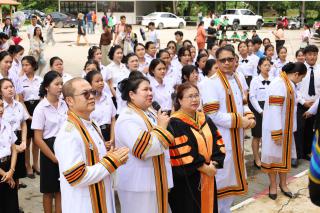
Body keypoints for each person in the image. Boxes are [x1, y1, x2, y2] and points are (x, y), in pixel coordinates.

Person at [54, 77, 129, 213]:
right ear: (69, 101)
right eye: (85, 94)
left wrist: (114, 157)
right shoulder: (68, 134)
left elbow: (97, 160)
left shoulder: (92, 124)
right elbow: (76, 176)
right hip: (84, 205)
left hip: (103, 197)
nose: (91, 97)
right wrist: (111, 161)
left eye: (92, 92)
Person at [200, 46, 255, 212]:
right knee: (220, 181)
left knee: (232, 180)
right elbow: (213, 115)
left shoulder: (237, 78)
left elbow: (242, 104)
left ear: (235, 60)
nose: (226, 63)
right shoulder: (209, 83)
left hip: (237, 137)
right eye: (222, 60)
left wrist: (250, 117)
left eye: (230, 59)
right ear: (217, 62)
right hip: (220, 138)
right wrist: (241, 121)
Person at [115, 71, 174, 213]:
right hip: (138, 185)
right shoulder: (127, 118)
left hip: (156, 180)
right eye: (145, 90)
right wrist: (161, 128)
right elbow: (145, 149)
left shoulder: (150, 112)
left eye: (150, 89)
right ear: (131, 95)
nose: (150, 93)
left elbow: (165, 141)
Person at [168, 82, 226, 213]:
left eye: (196, 95)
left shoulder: (204, 118)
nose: (194, 99)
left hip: (209, 172)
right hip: (188, 179)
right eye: (190, 96)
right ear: (180, 100)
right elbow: (182, 152)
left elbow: (218, 141)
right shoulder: (174, 122)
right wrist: (204, 167)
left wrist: (214, 164)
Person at [261, 62, 307, 200]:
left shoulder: (289, 83)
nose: (301, 80)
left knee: (283, 158)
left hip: (286, 129)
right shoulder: (278, 84)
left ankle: (283, 184)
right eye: (301, 78)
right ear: (296, 74)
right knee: (273, 158)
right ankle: (273, 185)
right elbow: (275, 110)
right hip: (276, 130)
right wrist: (277, 132)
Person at [31, 71, 67, 213]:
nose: (60, 87)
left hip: (64, 146)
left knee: (60, 189)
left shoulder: (65, 104)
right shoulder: (41, 108)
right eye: (56, 84)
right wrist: (54, 158)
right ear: (47, 87)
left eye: (61, 84)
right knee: (48, 190)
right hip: (48, 149)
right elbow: (38, 139)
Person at [1, 78, 29, 211]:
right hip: (6, 144)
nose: (10, 89)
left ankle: (14, 204)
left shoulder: (18, 105)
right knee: (7, 176)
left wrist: (23, 141)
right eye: (6, 87)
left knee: (16, 175)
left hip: (18, 140)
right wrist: (14, 147)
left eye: (11, 86)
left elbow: (23, 123)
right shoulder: (2, 108)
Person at [295, 45, 320, 162]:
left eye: (315, 54)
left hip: (317, 104)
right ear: (304, 56)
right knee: (300, 129)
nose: (312, 57)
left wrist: (314, 105)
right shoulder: (299, 70)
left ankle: (308, 152)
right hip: (302, 104)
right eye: (310, 54)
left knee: (312, 130)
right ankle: (298, 154)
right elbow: (296, 89)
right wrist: (303, 102)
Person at [19, 56, 42, 178]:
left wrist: (39, 114)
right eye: (23, 65)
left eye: (27, 64)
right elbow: (20, 100)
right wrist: (27, 115)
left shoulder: (40, 79)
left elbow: (43, 98)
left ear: (33, 65)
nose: (25, 67)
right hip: (26, 110)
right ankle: (27, 165)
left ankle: (36, 164)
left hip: (38, 109)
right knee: (27, 141)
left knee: (37, 141)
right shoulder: (20, 81)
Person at [249, 58, 273, 168]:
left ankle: (266, 157)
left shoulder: (273, 79)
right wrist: (260, 111)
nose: (267, 67)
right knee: (257, 135)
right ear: (259, 67)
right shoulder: (255, 80)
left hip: (271, 107)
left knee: (268, 135)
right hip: (258, 108)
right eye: (265, 65)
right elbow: (252, 97)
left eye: (269, 65)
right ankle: (256, 158)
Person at [0, 98, 19, 213]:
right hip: (2, 172)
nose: (1, 109)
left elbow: (14, 149)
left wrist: (11, 170)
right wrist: (6, 176)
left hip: (8, 166)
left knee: (11, 205)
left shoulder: (6, 123)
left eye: (2, 106)